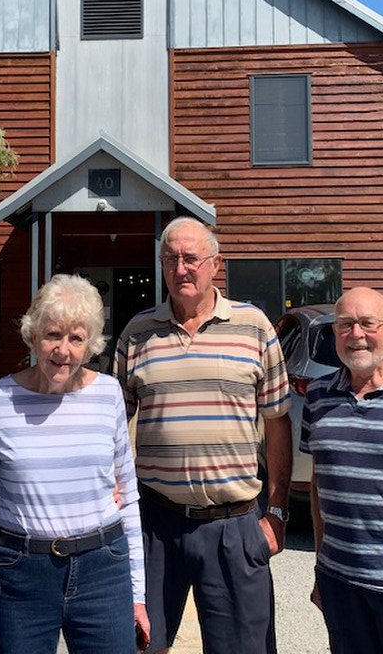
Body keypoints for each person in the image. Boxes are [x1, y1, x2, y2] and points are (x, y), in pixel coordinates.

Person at [114, 217, 292, 654]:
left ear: (216, 264)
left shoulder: (253, 326)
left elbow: (277, 423)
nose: (181, 268)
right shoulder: (137, 333)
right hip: (157, 525)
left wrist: (277, 512)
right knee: (139, 643)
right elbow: (112, 426)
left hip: (234, 525)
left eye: (191, 258)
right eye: (171, 259)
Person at [0, 273, 150, 654]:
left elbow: (130, 496)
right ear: (32, 335)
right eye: (53, 335)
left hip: (102, 569)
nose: (63, 350)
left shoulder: (108, 394)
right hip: (21, 572)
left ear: (90, 344)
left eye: (76, 338)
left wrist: (137, 592)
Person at [301, 286, 383, 654]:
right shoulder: (317, 397)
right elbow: (319, 488)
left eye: (367, 323)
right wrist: (319, 566)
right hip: (340, 582)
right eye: (345, 325)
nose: (356, 335)